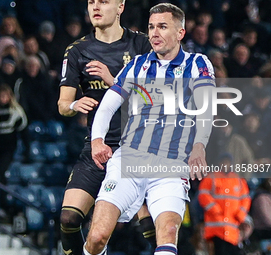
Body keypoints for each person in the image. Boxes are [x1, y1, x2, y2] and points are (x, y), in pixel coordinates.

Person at [85, 3, 215, 255]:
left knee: (167, 233)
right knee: (98, 237)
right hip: (129, 159)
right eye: (151, 27)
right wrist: (97, 140)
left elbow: (206, 108)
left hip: (171, 164)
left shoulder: (198, 63)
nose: (154, 33)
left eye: (162, 27)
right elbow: (107, 106)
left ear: (180, 33)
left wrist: (199, 144)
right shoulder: (137, 65)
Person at [57, 0, 154, 254]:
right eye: (91, 2)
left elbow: (154, 98)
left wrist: (113, 79)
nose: (95, 7)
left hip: (140, 149)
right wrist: (75, 103)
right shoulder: (78, 50)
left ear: (120, 6)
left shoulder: (142, 45)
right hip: (98, 149)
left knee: (154, 228)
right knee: (68, 219)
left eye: (103, 1)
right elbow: (62, 105)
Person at [198, 153, 251, 255]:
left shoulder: (238, 181)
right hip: (215, 228)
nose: (225, 164)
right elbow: (203, 195)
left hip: (232, 229)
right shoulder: (211, 178)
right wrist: (214, 209)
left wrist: (241, 214)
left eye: (227, 162)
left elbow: (245, 199)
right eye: (224, 161)